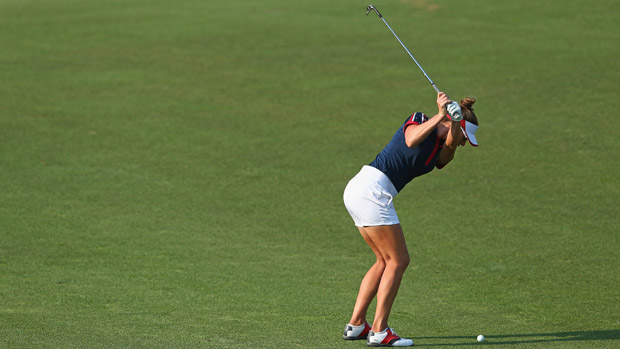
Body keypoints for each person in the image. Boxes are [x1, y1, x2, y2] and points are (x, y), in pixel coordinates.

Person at [342, 92, 479, 347]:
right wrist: (441, 115)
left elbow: (449, 150)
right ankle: (380, 331)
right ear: (449, 122)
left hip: (366, 192)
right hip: (370, 189)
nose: (463, 143)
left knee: (384, 261)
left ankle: (357, 325)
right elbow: (410, 139)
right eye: (464, 138)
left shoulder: (443, 150)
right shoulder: (419, 118)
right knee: (399, 260)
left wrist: (457, 124)